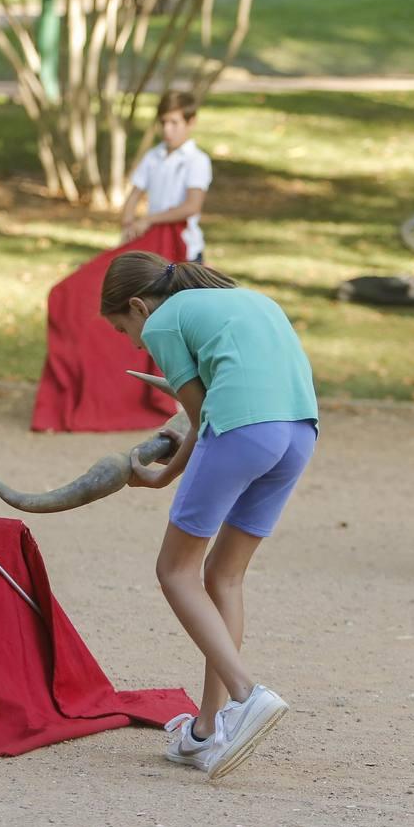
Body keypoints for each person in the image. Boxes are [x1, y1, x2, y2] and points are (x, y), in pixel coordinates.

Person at [99, 252, 318, 779]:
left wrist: (162, 474)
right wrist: (180, 457)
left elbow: (201, 420)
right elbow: (208, 416)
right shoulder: (249, 299)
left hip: (243, 430)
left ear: (136, 305)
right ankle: (205, 729)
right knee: (224, 575)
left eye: (123, 328)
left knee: (175, 571)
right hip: (299, 434)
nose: (132, 341)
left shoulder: (166, 320)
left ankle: (246, 697)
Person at [121, 90, 213, 263]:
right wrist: (128, 224)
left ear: (191, 122)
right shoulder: (153, 156)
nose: (167, 129)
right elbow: (134, 195)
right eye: (163, 122)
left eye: (174, 123)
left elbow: (192, 206)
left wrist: (149, 219)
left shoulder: (197, 160)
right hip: (154, 244)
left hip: (185, 248)